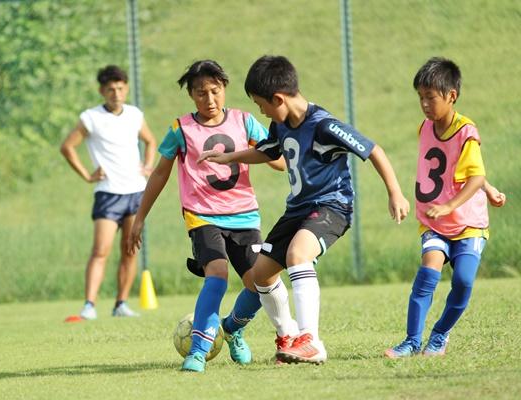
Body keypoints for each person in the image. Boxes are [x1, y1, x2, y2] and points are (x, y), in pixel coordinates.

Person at [198, 55, 410, 364]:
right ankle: (285, 335)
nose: (262, 112)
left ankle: (310, 341)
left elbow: (373, 149)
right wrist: (230, 158)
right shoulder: (281, 124)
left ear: (278, 99)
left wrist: (395, 192)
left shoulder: (324, 126)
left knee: (298, 254)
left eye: (262, 105)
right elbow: (268, 152)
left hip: (331, 206)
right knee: (261, 274)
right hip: (297, 210)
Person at [129, 60, 285, 372]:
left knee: (259, 283)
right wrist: (140, 217)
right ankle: (198, 352)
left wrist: (274, 153)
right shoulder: (181, 129)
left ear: (224, 88)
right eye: (201, 93)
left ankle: (232, 328)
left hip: (244, 216)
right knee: (217, 273)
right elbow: (159, 174)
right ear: (191, 95)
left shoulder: (244, 121)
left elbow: (279, 162)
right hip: (202, 216)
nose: (209, 99)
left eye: (215, 91)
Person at [384, 57, 506, 358]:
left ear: (451, 95)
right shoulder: (425, 128)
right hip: (434, 221)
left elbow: (474, 175)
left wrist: (464, 197)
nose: (425, 104)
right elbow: (457, 170)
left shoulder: (466, 132)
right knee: (428, 274)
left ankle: (439, 336)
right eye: (420, 97)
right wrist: (487, 188)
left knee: (463, 281)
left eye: (431, 97)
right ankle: (412, 341)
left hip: (469, 222)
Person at [60, 65, 156, 320]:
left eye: (121, 88)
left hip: (136, 192)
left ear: (126, 88)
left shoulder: (134, 114)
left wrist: (148, 166)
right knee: (101, 250)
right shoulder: (91, 117)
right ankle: (89, 306)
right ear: (102, 91)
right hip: (108, 194)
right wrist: (87, 175)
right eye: (111, 89)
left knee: (130, 250)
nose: (116, 93)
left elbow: (150, 140)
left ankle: (120, 304)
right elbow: (67, 147)